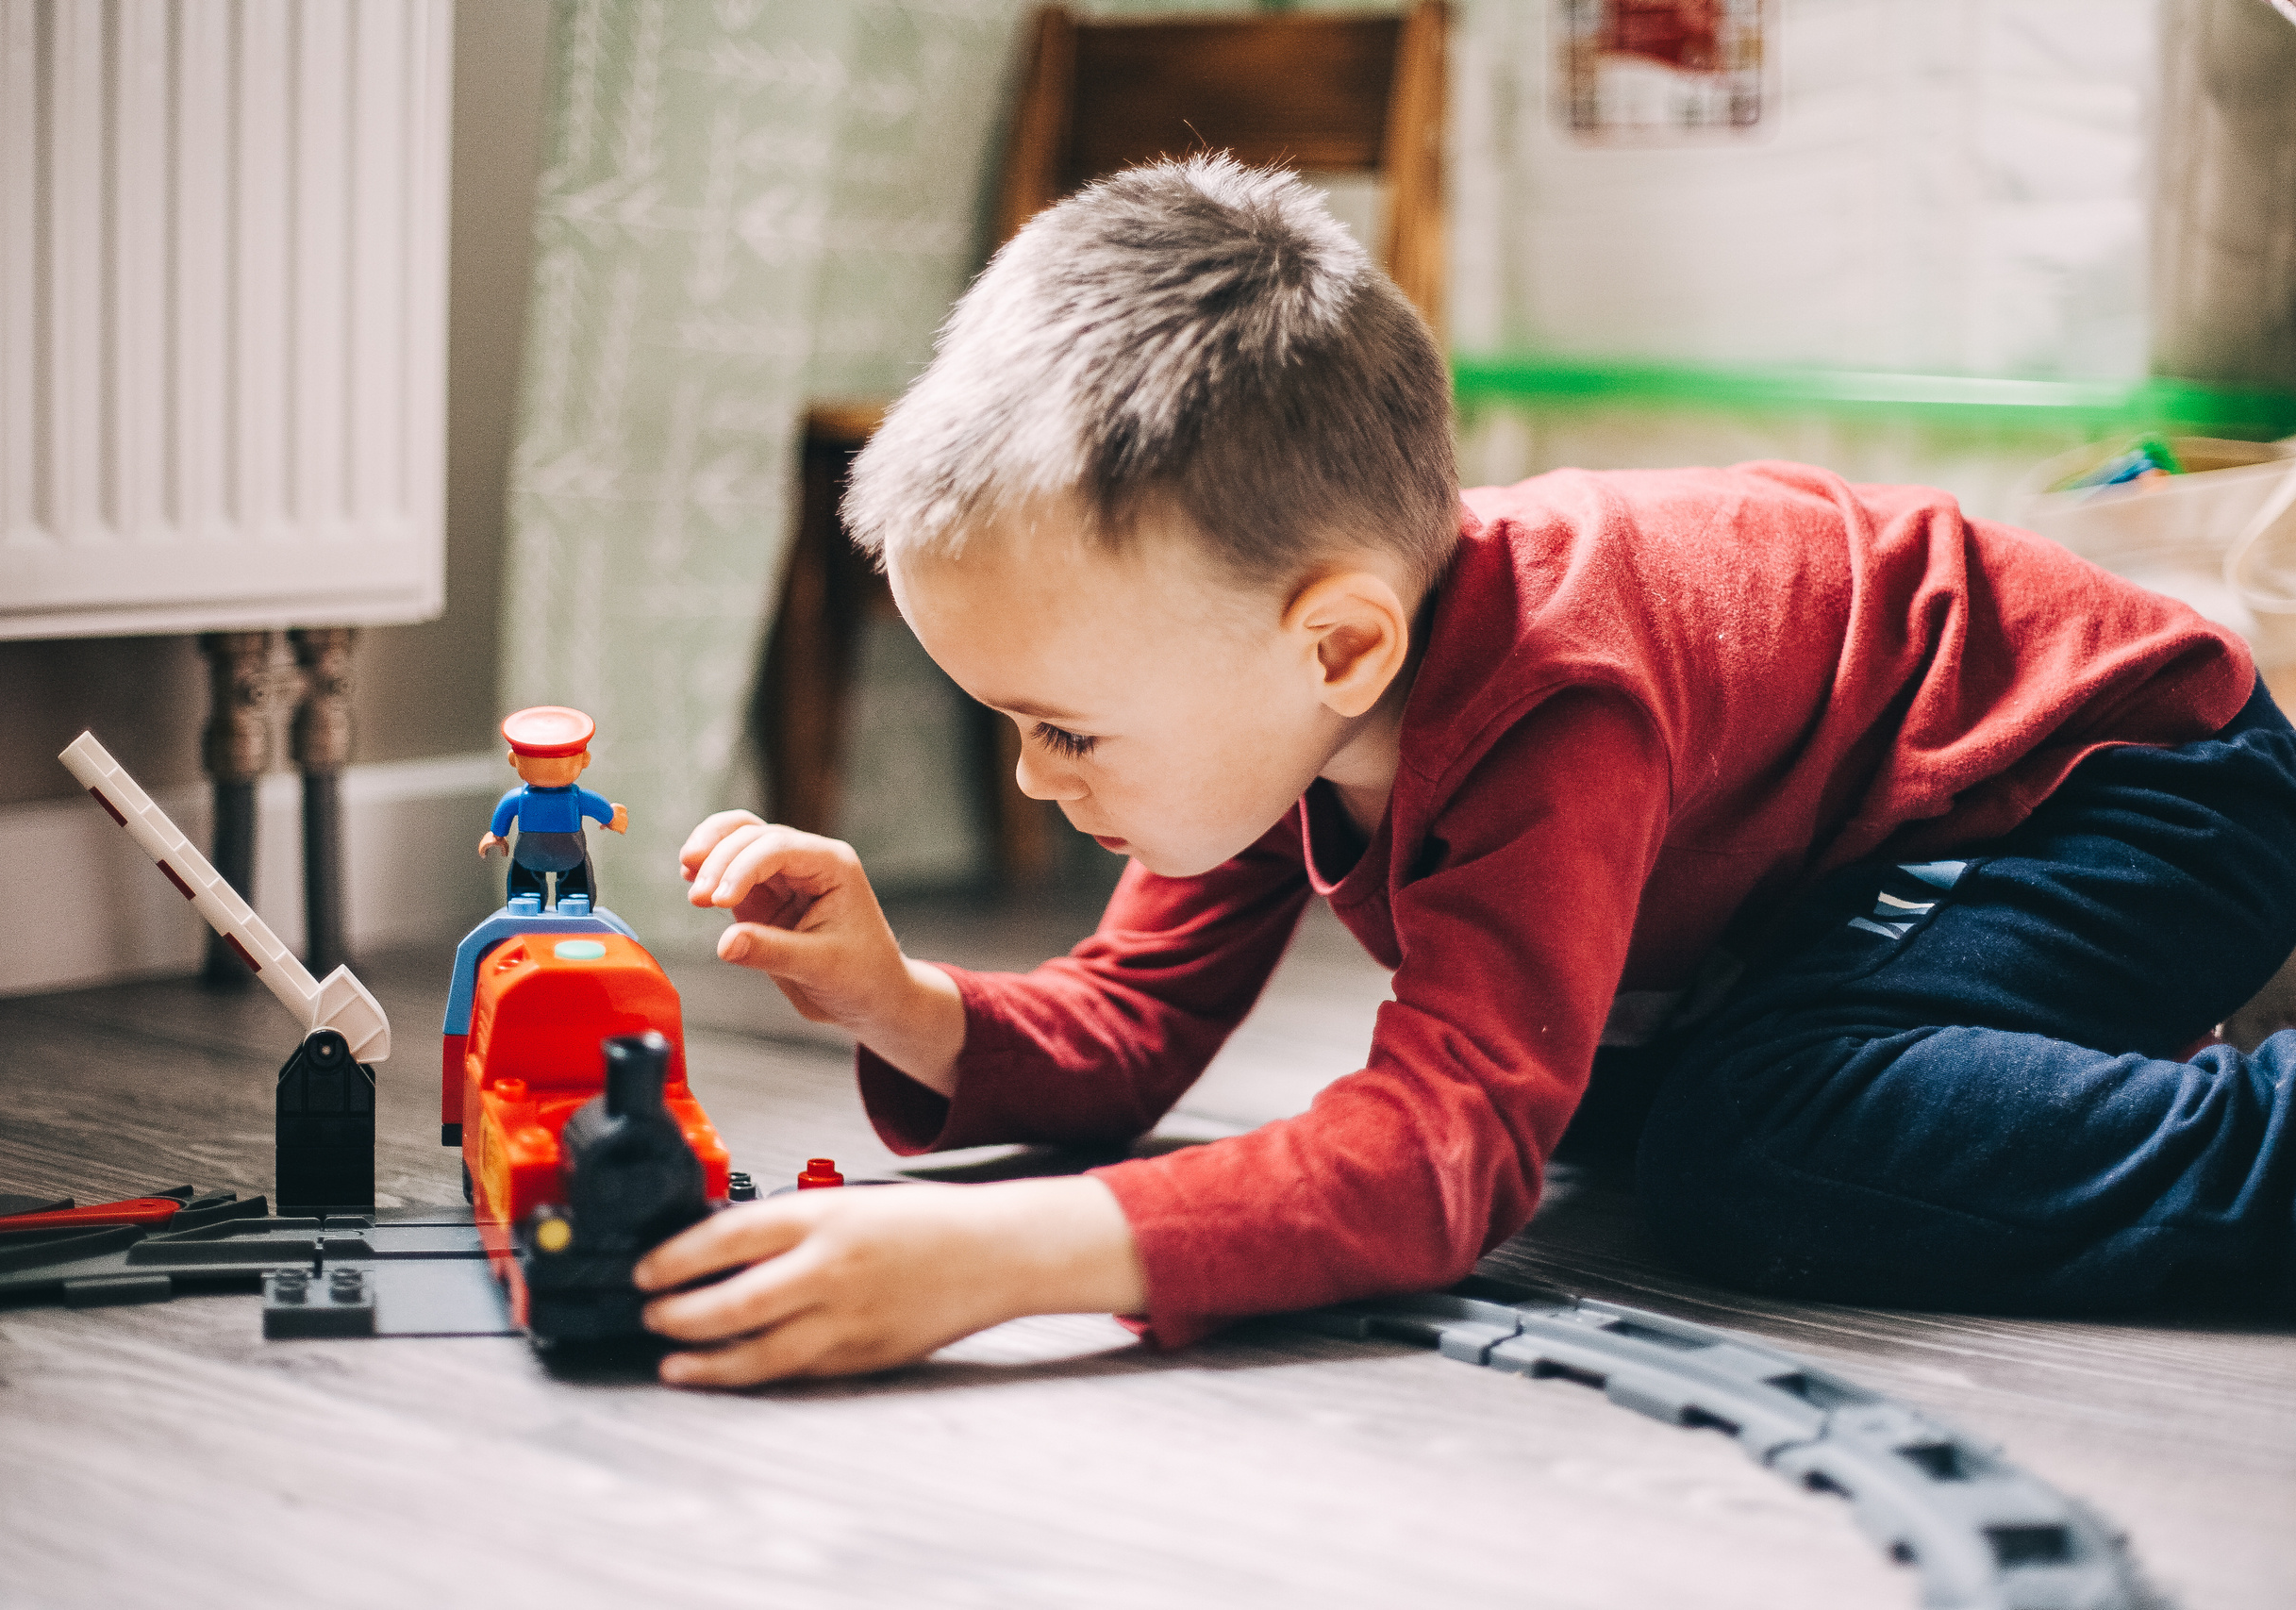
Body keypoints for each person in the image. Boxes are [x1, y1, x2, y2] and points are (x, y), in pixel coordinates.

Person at [629, 156, 2296, 1389]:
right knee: (1627, 1103)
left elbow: (1446, 1153)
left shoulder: (1552, 693)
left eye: (1064, 726)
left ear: (1340, 646)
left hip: (2119, 779)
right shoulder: (1283, 684)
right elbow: (1131, 1023)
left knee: (1753, 1138)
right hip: (1831, 867)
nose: (1032, 780)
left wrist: (1001, 1256)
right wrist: (900, 1000)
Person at [479, 705, 627, 910]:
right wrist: (496, 835)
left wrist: (610, 817)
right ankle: (528, 895)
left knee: (573, 883)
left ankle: (572, 896)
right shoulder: (525, 798)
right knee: (527, 882)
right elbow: (505, 810)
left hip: (560, 851)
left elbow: (598, 806)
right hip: (539, 851)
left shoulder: (573, 798)